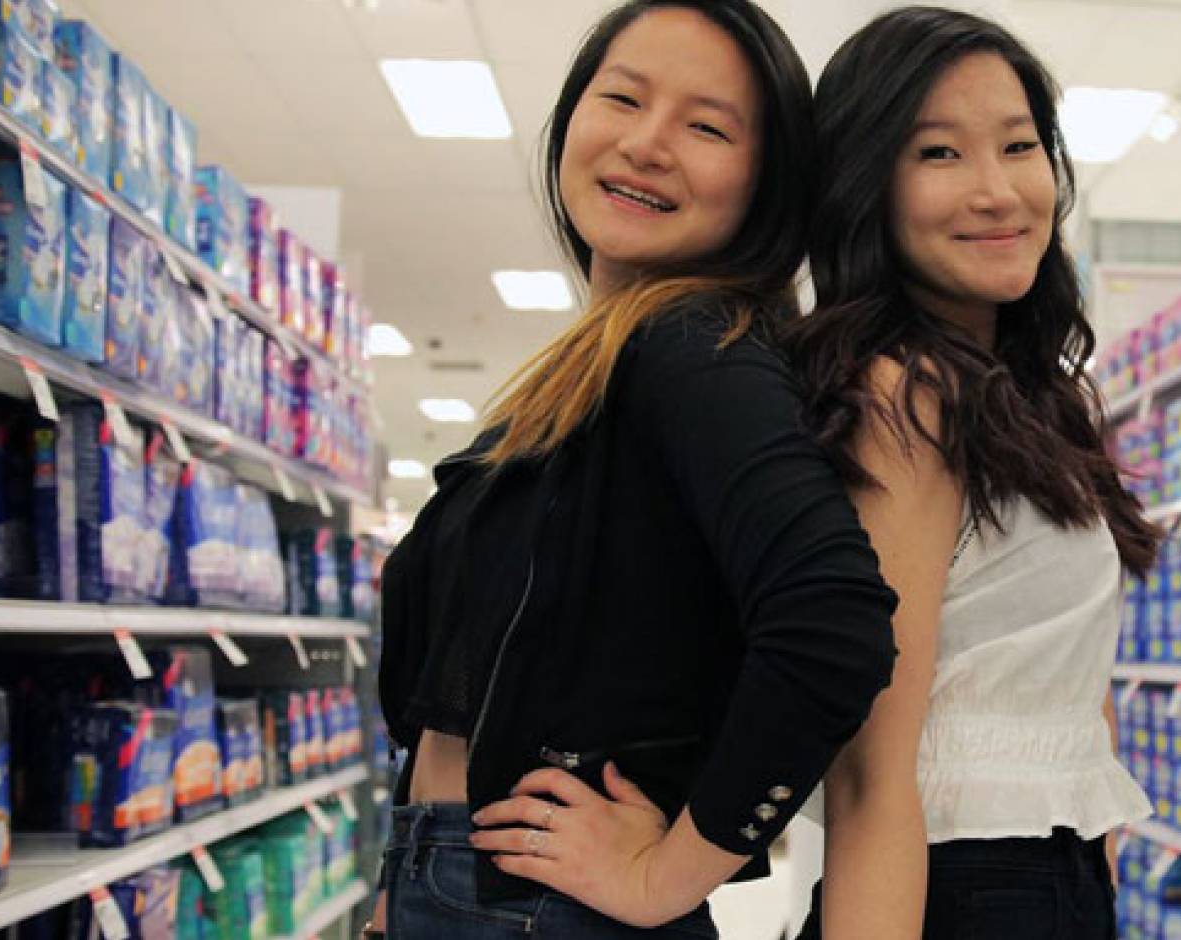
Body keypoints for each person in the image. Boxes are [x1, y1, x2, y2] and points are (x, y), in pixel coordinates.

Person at [372, 2, 899, 936]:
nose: (648, 144)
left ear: (764, 186)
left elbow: (832, 622)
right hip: (466, 884)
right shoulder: (594, 367)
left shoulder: (695, 344)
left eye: (707, 126)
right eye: (622, 98)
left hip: (538, 903)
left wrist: (672, 872)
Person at [783, 7, 1163, 938]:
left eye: (1019, 145)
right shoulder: (904, 397)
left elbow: (1058, 670)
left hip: (1044, 873)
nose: (997, 191)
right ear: (865, 184)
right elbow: (875, 765)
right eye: (939, 154)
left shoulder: (1032, 398)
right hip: (961, 888)